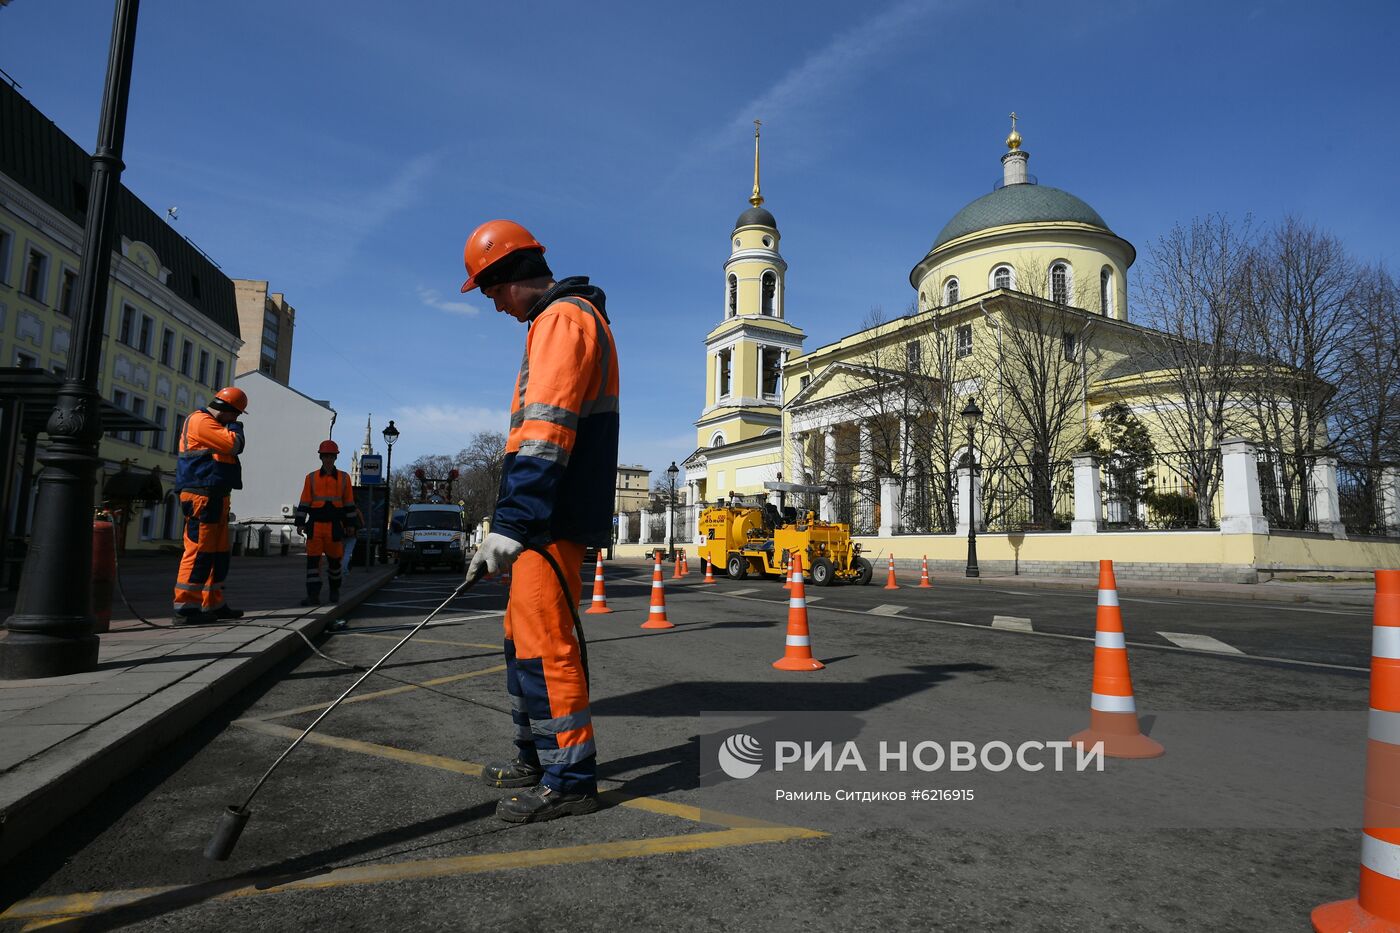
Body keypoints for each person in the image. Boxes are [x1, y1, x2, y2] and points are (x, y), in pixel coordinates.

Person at [462, 219, 620, 823]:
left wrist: (516, 519)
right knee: (522, 642)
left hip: (550, 517)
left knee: (545, 647)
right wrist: (504, 521)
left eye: (490, 290)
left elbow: (546, 435)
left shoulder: (561, 320)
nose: (493, 303)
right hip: (540, 517)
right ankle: (537, 758)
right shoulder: (558, 321)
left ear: (510, 275)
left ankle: (571, 778)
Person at [172, 387, 247, 625]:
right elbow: (234, 445)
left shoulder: (212, 424)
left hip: (215, 495)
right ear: (227, 410)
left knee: (217, 553)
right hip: (200, 495)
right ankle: (185, 606)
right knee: (199, 551)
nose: (236, 420)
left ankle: (212, 603)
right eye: (236, 415)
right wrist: (236, 428)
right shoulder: (200, 421)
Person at [294, 440, 359, 606]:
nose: (328, 459)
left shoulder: (344, 478)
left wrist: (351, 525)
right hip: (315, 526)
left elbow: (349, 504)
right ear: (321, 457)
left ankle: (334, 591)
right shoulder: (311, 478)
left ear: (335, 458)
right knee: (313, 564)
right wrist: (300, 523)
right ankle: (313, 596)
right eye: (325, 456)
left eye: (331, 456)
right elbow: (304, 502)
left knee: (335, 562)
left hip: (335, 526)